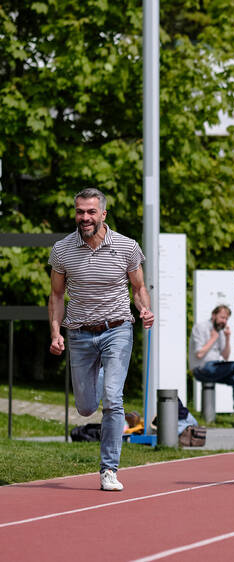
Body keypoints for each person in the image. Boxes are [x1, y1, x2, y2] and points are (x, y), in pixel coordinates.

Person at [48, 188, 155, 491]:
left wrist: (145, 309)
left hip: (117, 328)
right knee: (84, 407)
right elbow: (56, 295)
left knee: (112, 398)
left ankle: (109, 469)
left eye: (91, 212)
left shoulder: (126, 246)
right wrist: (56, 334)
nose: (85, 217)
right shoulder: (62, 249)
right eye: (80, 211)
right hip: (80, 333)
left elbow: (138, 287)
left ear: (103, 214)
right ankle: (103, 376)